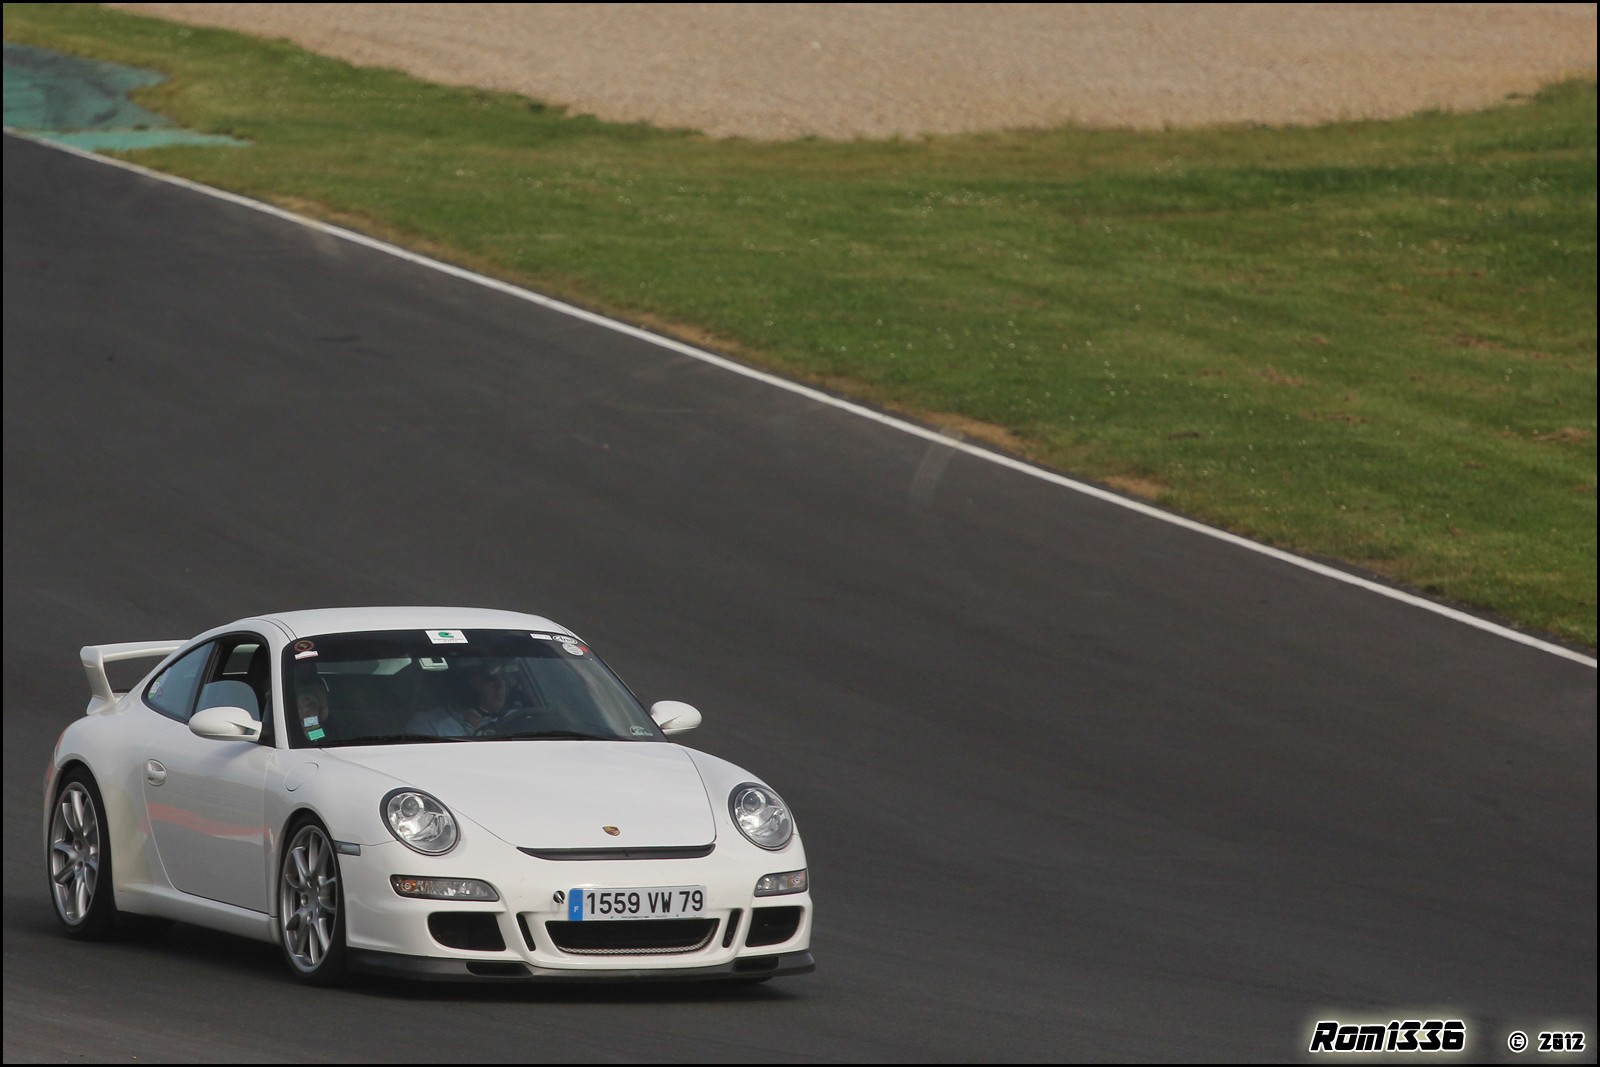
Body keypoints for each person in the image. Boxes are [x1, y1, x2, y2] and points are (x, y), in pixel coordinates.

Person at [405, 661, 518, 736]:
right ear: (466, 685)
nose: (500, 685)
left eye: (503, 677)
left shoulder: (516, 720)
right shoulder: (429, 725)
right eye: (489, 679)